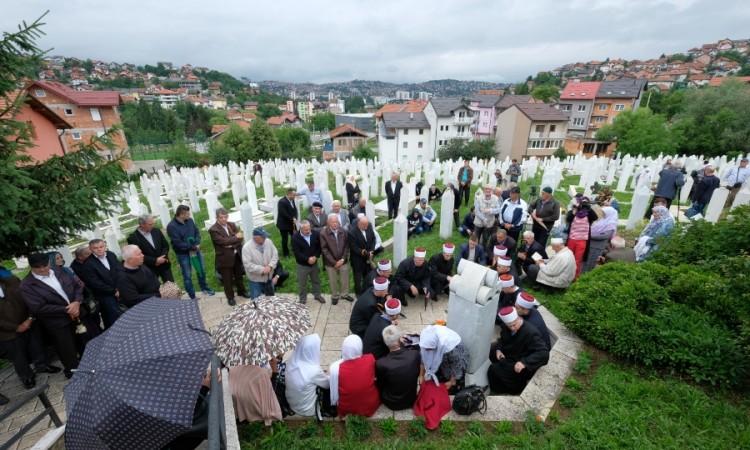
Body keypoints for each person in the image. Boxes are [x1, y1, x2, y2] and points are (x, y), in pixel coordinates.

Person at [21, 253, 82, 378]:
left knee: (82, 342)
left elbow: (77, 285)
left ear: (49, 262)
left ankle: (87, 365)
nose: (43, 269)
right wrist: (67, 309)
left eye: (45, 265)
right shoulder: (27, 285)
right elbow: (38, 307)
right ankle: (74, 373)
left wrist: (77, 302)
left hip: (77, 313)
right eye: (38, 267)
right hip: (57, 322)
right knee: (66, 350)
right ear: (31, 267)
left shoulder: (58, 270)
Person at [0, 268, 60, 390]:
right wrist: (16, 327)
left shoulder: (12, 281)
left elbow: (28, 297)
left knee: (36, 345)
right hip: (8, 332)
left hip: (28, 321)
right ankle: (26, 377)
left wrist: (30, 318)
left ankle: (42, 365)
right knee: (18, 355)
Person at [488, 306, 549, 394]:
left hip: (520, 360)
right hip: (509, 354)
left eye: (514, 325)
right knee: (491, 351)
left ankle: (508, 391)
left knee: (493, 370)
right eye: (509, 326)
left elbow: (543, 353)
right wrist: (499, 349)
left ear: (519, 318)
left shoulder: (531, 332)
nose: (512, 328)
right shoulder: (506, 327)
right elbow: (502, 339)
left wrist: (524, 362)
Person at [329, 335, 380, 418]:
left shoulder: (335, 368)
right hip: (370, 406)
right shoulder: (370, 359)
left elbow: (334, 395)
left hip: (347, 409)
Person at [375, 325, 421, 411]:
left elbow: (380, 384)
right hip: (410, 399)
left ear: (385, 342)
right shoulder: (414, 355)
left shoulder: (381, 363)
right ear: (400, 339)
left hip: (391, 402)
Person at [78, 238, 122, 328]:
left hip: (120, 288)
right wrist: (113, 291)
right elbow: (95, 283)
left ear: (105, 246)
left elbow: (119, 269)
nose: (99, 249)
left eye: (101, 247)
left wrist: (120, 286)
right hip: (105, 295)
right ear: (91, 249)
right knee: (114, 316)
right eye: (95, 248)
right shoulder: (88, 264)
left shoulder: (111, 255)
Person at [209, 208, 247, 306]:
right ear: (217, 218)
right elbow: (222, 242)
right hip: (224, 258)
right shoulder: (213, 229)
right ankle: (230, 298)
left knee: (239, 275)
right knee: (227, 279)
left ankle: (241, 291)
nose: (224, 219)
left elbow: (241, 237)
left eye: (226, 217)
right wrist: (234, 238)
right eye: (221, 218)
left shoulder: (232, 224)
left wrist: (231, 244)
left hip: (236, 255)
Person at [285, 334, 329, 417]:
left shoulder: (291, 362)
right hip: (307, 410)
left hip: (292, 405)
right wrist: (330, 372)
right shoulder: (314, 371)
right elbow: (327, 384)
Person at [127, 214, 173, 283]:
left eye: (153, 223)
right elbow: (137, 255)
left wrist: (162, 257)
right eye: (150, 224)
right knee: (154, 290)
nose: (153, 226)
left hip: (164, 265)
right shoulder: (133, 238)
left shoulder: (156, 231)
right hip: (149, 269)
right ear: (142, 225)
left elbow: (165, 246)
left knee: (172, 287)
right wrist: (155, 261)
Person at [419, 325, 468, 390]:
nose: (427, 351)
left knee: (449, 375)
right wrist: (421, 375)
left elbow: (457, 365)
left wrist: (451, 382)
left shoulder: (451, 348)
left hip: (456, 356)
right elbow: (424, 357)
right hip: (443, 351)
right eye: (426, 349)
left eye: (430, 349)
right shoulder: (425, 340)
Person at [320, 213, 351, 305]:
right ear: (328, 222)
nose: (335, 224)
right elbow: (324, 250)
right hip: (330, 263)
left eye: (337, 222)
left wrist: (342, 259)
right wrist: (334, 262)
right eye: (333, 222)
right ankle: (335, 296)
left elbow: (346, 246)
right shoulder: (323, 233)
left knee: (345, 278)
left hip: (343, 261)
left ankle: (344, 294)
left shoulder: (344, 231)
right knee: (333, 280)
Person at [116, 245, 160, 309]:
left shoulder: (140, 265)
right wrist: (158, 295)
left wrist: (162, 289)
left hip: (157, 301)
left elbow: (153, 278)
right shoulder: (122, 277)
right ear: (130, 260)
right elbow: (134, 299)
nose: (143, 255)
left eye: (141, 252)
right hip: (144, 309)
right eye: (139, 254)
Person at [291, 220, 325, 304]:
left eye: (309, 229)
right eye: (306, 230)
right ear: (301, 229)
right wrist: (307, 259)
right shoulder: (295, 237)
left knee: (316, 280)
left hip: (314, 263)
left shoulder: (315, 233)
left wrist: (315, 256)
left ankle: (317, 295)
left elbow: (319, 247)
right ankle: (302, 299)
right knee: (302, 283)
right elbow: (297, 253)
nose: (308, 231)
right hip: (302, 265)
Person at [241, 228, 279, 299]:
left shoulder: (268, 242)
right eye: (263, 237)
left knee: (270, 300)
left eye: (265, 236)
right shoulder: (246, 248)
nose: (265, 238)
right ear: (255, 237)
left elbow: (275, 255)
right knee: (256, 301)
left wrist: (270, 266)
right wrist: (262, 269)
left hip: (268, 278)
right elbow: (248, 265)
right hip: (255, 280)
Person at [565, 197, 598, 278]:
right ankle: (566, 275)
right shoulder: (574, 211)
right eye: (582, 203)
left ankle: (574, 277)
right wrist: (575, 209)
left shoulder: (589, 214)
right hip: (571, 239)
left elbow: (595, 217)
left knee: (577, 260)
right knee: (568, 258)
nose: (583, 205)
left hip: (582, 241)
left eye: (585, 203)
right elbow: (568, 218)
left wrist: (588, 208)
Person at [583, 206, 618, 273]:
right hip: (590, 245)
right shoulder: (602, 221)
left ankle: (584, 276)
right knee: (585, 262)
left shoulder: (611, 225)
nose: (603, 215)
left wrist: (588, 235)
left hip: (597, 247)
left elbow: (603, 236)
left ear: (609, 214)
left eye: (604, 213)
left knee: (590, 263)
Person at [348, 215, 376, 296]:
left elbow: (373, 239)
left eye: (367, 225)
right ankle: (358, 293)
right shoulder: (352, 232)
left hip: (368, 258)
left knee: (368, 276)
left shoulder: (369, 226)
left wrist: (372, 250)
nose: (366, 227)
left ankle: (367, 290)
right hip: (358, 260)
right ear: (359, 224)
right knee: (358, 278)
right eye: (364, 225)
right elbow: (354, 247)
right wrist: (364, 252)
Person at [276, 187, 299, 258]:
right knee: (285, 239)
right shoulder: (282, 202)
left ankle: (295, 248)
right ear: (289, 194)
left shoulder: (292, 200)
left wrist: (295, 217)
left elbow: (294, 209)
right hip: (283, 224)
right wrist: (292, 219)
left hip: (292, 223)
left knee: (295, 236)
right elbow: (283, 213)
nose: (295, 196)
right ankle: (286, 253)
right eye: (293, 195)